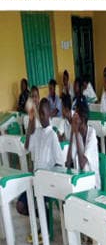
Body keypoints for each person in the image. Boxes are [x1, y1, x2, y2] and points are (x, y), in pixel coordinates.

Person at [17, 97, 65, 228]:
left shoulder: (52, 136)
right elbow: (27, 146)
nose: (42, 117)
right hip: (35, 180)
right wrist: (31, 122)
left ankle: (45, 223)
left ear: (49, 114)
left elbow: (60, 163)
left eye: (44, 114)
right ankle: (44, 215)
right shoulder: (37, 132)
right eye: (40, 114)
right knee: (20, 206)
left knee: (37, 200)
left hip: (46, 182)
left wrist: (49, 178)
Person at [66, 101, 100, 188]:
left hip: (92, 183)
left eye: (76, 115)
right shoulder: (77, 134)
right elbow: (68, 163)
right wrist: (72, 133)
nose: (73, 117)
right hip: (81, 180)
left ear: (83, 119)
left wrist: (76, 133)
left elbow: (82, 164)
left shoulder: (92, 133)